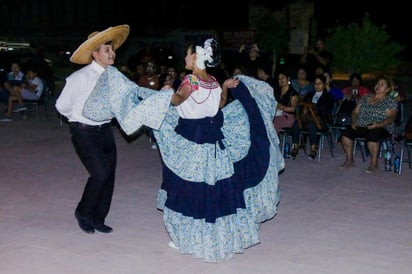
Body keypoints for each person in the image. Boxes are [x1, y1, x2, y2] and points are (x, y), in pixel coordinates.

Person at [81, 37, 284, 262]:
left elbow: (177, 102)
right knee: (214, 189)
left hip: (193, 145)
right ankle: (217, 238)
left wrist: (168, 92)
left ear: (196, 57)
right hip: (214, 146)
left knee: (186, 189)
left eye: (188, 54)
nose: (185, 58)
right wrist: (225, 87)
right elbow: (219, 105)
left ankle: (186, 238)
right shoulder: (214, 81)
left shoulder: (191, 80)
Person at [55, 24, 130, 234]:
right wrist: (78, 120)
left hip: (105, 130)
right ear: (95, 54)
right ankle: (83, 212)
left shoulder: (114, 76)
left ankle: (98, 218)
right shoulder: (80, 77)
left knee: (110, 175)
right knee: (100, 173)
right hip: (84, 131)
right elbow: (62, 105)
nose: (112, 53)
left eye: (112, 49)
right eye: (107, 50)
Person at [339, 75, 398, 173]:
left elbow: (391, 118)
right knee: (346, 134)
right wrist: (354, 121)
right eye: (378, 84)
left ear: (387, 89)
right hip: (363, 124)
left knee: (372, 136)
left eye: (382, 85)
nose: (378, 86)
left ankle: (374, 163)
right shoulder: (366, 97)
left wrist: (378, 124)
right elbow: (355, 112)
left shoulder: (389, 101)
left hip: (382, 127)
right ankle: (350, 160)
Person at [290, 74, 335, 160]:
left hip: (321, 121)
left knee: (311, 124)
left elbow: (325, 108)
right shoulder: (310, 94)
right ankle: (295, 148)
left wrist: (312, 106)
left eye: (320, 83)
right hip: (307, 119)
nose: (317, 85)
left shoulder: (328, 96)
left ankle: (313, 150)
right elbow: (302, 106)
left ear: (324, 84)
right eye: (315, 83)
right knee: (296, 123)